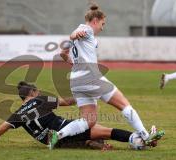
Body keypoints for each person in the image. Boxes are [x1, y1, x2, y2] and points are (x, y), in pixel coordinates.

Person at [49, 3, 164, 149]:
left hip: (76, 81)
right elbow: (76, 33)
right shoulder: (86, 29)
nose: (103, 27)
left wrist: (69, 57)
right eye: (102, 23)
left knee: (88, 121)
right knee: (125, 106)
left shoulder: (89, 38)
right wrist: (75, 34)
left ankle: (58, 135)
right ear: (95, 20)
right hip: (91, 77)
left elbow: (63, 52)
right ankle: (146, 136)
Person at [0, 81, 156, 150]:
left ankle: (94, 144)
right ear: (33, 92)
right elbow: (66, 102)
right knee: (104, 130)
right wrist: (84, 96)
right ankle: (138, 139)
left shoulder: (17, 114)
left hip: (49, 141)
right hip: (63, 128)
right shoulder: (40, 100)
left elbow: (0, 130)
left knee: (89, 134)